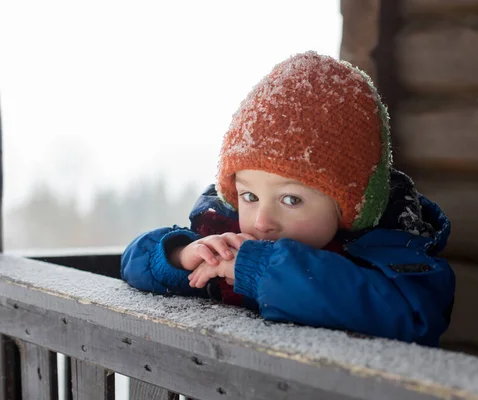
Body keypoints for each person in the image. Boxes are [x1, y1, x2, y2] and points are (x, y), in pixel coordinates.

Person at [121, 51, 455, 346]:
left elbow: (413, 316)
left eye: (291, 200)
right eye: (249, 196)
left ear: (350, 205)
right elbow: (134, 262)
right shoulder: (226, 237)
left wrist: (258, 268)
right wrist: (181, 256)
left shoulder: (386, 254)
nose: (262, 221)